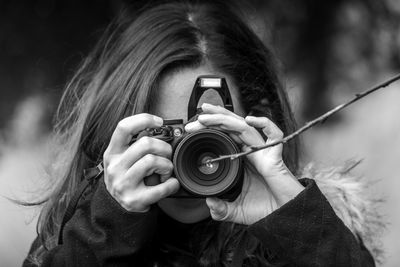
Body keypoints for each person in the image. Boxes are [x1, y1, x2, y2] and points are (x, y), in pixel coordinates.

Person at [23, 1, 376, 266]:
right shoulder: (72, 237)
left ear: (256, 123)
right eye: (164, 134)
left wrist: (296, 224)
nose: (192, 158)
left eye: (212, 132)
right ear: (115, 130)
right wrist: (104, 232)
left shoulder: (312, 232)